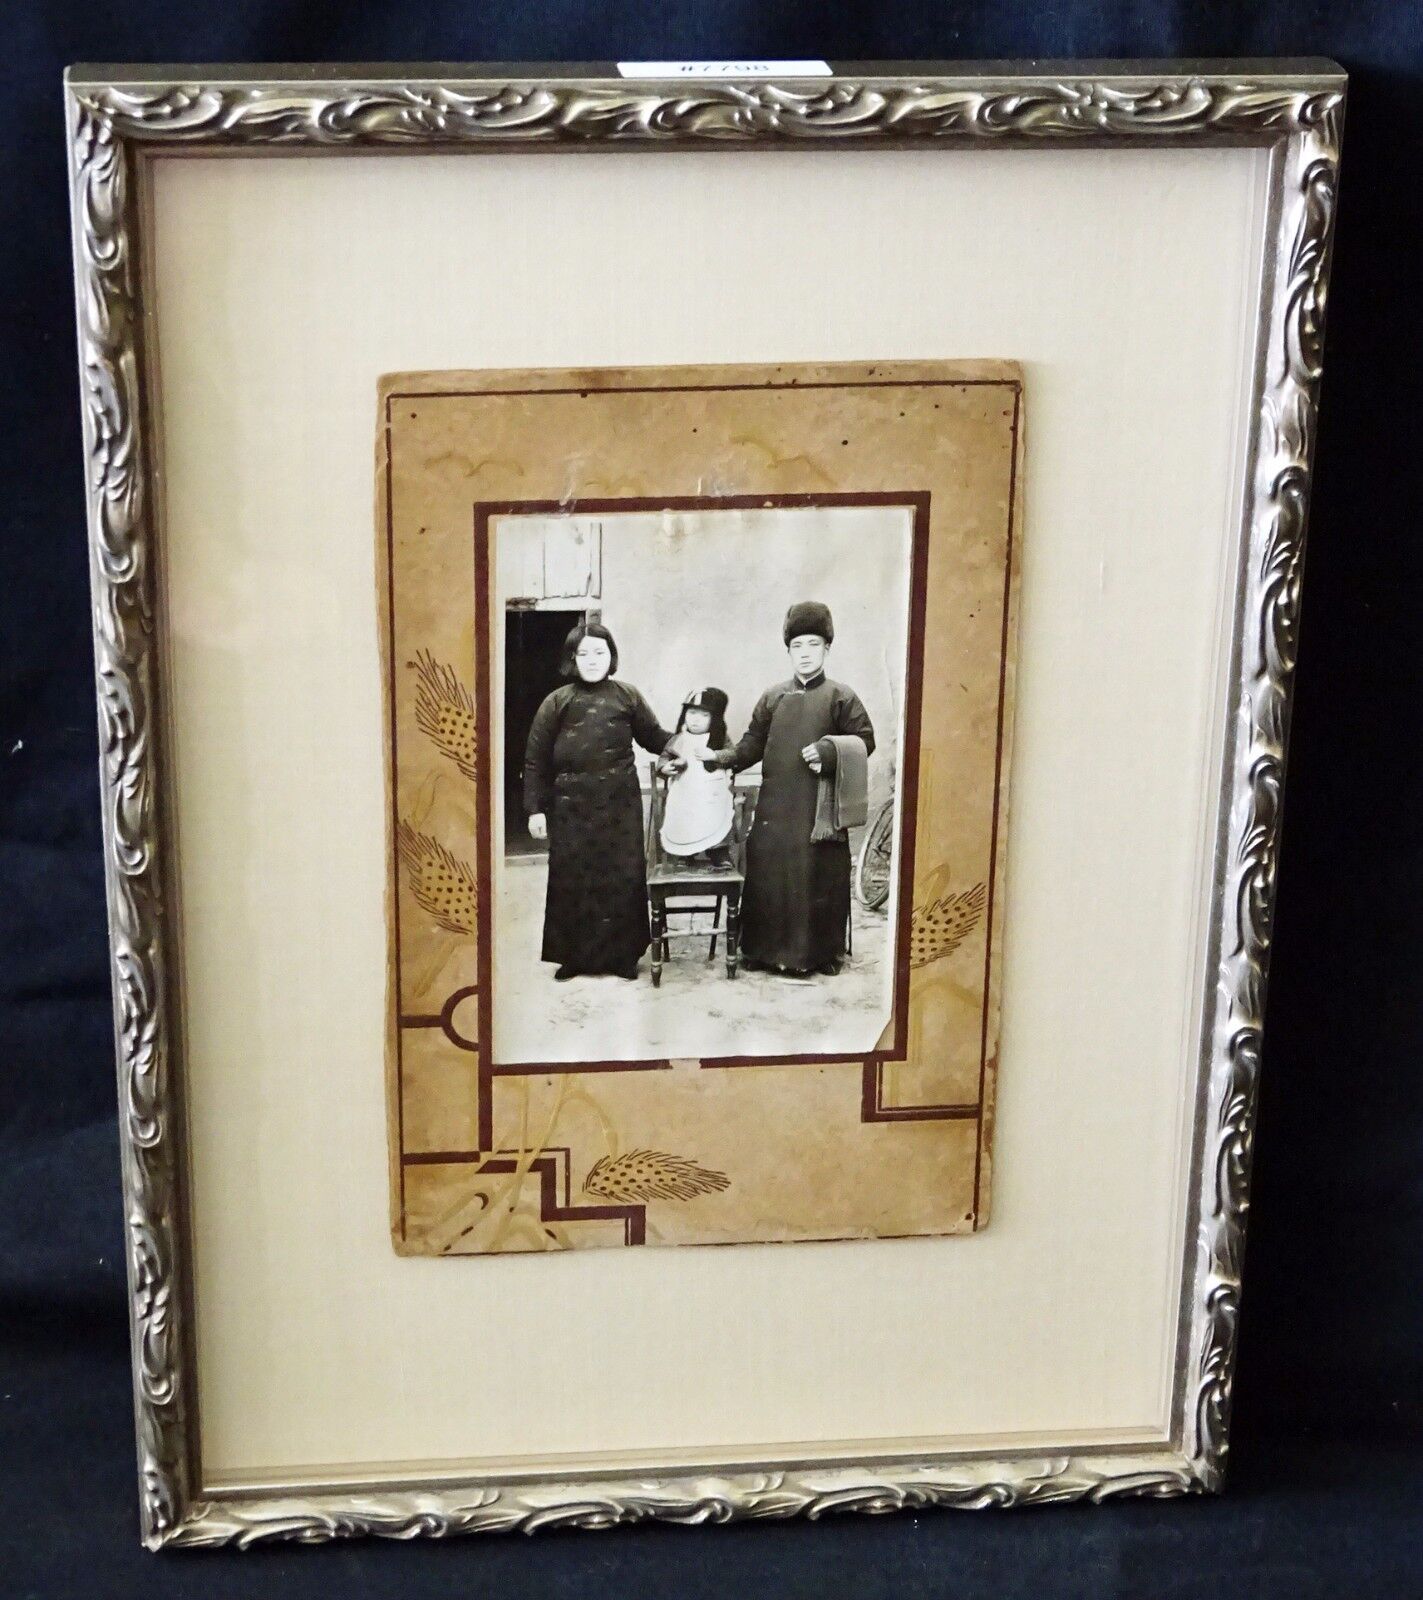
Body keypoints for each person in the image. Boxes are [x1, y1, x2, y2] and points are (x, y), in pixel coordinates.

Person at [703, 602, 874, 976]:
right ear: (789, 650)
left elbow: (864, 741)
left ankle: (822, 955)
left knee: (817, 874)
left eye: (814, 644)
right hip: (776, 807)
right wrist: (719, 758)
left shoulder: (840, 696)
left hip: (819, 809)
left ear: (827, 648)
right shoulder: (773, 696)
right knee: (768, 869)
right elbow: (751, 745)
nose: (806, 653)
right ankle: (761, 951)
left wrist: (830, 752)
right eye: (798, 645)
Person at [523, 622, 673, 981]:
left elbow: (655, 738)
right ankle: (574, 958)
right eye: (584, 654)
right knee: (573, 879)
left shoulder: (627, 696)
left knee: (621, 877)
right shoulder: (556, 702)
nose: (592, 661)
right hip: (570, 808)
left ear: (612, 656)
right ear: (572, 659)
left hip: (619, 805)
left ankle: (622, 958)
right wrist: (535, 810)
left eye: (599, 652)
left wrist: (687, 745)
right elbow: (534, 760)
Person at [657, 687, 735, 869]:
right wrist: (665, 767)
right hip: (685, 790)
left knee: (715, 816)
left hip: (711, 792)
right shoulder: (678, 739)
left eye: (704, 715)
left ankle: (719, 854)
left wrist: (715, 755)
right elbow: (664, 757)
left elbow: (732, 755)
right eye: (691, 713)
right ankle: (685, 854)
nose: (696, 719)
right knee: (683, 817)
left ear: (714, 719)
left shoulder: (720, 738)